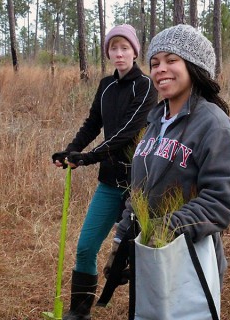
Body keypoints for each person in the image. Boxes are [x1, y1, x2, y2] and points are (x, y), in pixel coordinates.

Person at [106, 23, 230, 311]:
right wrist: (121, 237)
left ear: (194, 67)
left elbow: (221, 201)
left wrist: (166, 229)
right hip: (152, 254)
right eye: (155, 63)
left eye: (172, 60)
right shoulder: (156, 120)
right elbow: (141, 191)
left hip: (189, 260)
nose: (160, 70)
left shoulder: (213, 124)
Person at [51, 24, 157, 320]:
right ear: (108, 52)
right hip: (110, 183)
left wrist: (88, 157)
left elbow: (127, 132)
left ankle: (151, 311)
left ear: (135, 52)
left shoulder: (146, 86)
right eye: (114, 48)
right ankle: (80, 311)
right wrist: (71, 150)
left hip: (141, 182)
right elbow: (92, 123)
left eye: (125, 48)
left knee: (143, 257)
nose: (119, 53)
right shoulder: (105, 86)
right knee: (86, 247)